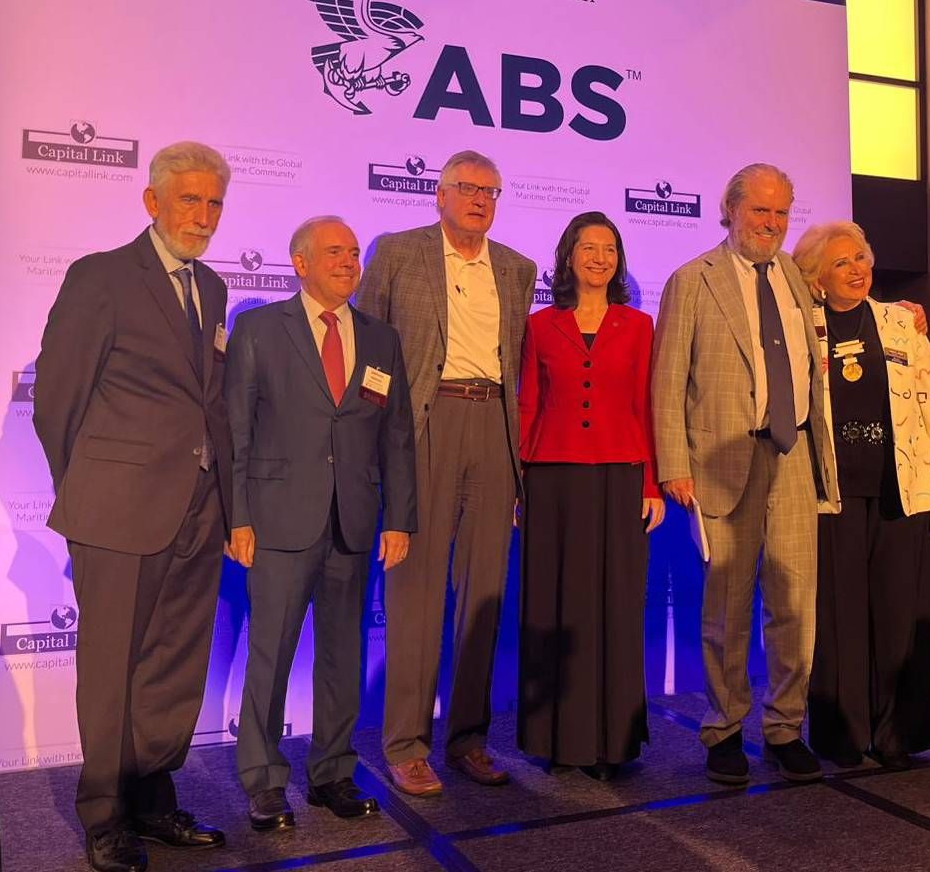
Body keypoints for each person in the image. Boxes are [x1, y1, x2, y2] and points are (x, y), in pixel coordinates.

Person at [34, 141, 233, 872]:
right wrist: (90, 490)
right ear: (153, 202)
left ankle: (152, 800)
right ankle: (105, 814)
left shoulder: (212, 287)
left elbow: (209, 403)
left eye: (214, 203)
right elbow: (57, 402)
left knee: (173, 661)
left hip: (198, 508)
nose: (203, 215)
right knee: (112, 666)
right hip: (115, 509)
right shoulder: (102, 276)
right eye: (190, 199)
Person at [651, 162, 839, 785]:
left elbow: (851, 299)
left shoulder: (795, 278)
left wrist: (907, 313)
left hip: (794, 455)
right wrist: (674, 464)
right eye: (760, 210)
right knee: (727, 608)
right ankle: (725, 729)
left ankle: (785, 727)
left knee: (795, 603)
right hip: (721, 461)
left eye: (781, 212)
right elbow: (668, 380)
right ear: (729, 210)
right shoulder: (692, 280)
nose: (771, 223)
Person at [356, 150, 537, 797]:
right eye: (467, 188)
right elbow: (368, 348)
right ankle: (406, 744)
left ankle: (468, 739)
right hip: (423, 427)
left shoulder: (517, 268)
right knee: (415, 590)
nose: (479, 199)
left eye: (491, 191)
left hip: (494, 426)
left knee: (483, 591)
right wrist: (375, 445)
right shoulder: (397, 252)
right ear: (439, 194)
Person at [226, 216, 416, 829]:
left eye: (354, 252)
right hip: (277, 520)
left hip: (354, 522)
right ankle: (263, 780)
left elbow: (397, 436)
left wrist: (400, 519)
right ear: (300, 262)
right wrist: (238, 516)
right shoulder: (259, 329)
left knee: (342, 656)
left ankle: (332, 771)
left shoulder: (381, 337)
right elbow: (236, 432)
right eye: (334, 252)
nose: (349, 262)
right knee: (271, 654)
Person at [792, 221, 930, 770]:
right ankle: (843, 736)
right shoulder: (799, 325)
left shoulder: (902, 322)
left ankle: (895, 736)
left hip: (900, 491)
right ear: (816, 276)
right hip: (829, 495)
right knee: (838, 618)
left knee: (897, 616)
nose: (857, 270)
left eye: (861, 258)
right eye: (841, 262)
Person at [517, 212, 664, 781]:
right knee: (556, 605)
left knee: (617, 605)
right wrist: (518, 481)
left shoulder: (641, 325)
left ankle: (613, 740)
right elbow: (528, 404)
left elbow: (647, 405)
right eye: (588, 248)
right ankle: (560, 739)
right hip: (552, 478)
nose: (600, 258)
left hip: (620, 476)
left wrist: (651, 483)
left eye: (609, 249)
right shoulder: (539, 325)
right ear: (568, 257)